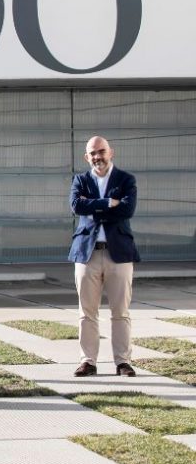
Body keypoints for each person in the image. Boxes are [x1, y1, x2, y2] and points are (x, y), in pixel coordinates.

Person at [69, 136, 140, 377]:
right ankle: (88, 361)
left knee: (120, 311)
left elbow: (128, 209)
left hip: (118, 254)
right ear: (86, 157)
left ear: (112, 153)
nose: (98, 156)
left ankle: (123, 362)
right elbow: (77, 206)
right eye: (93, 153)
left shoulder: (126, 179)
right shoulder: (80, 179)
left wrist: (94, 205)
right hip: (87, 254)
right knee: (86, 312)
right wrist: (109, 202)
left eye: (102, 151)